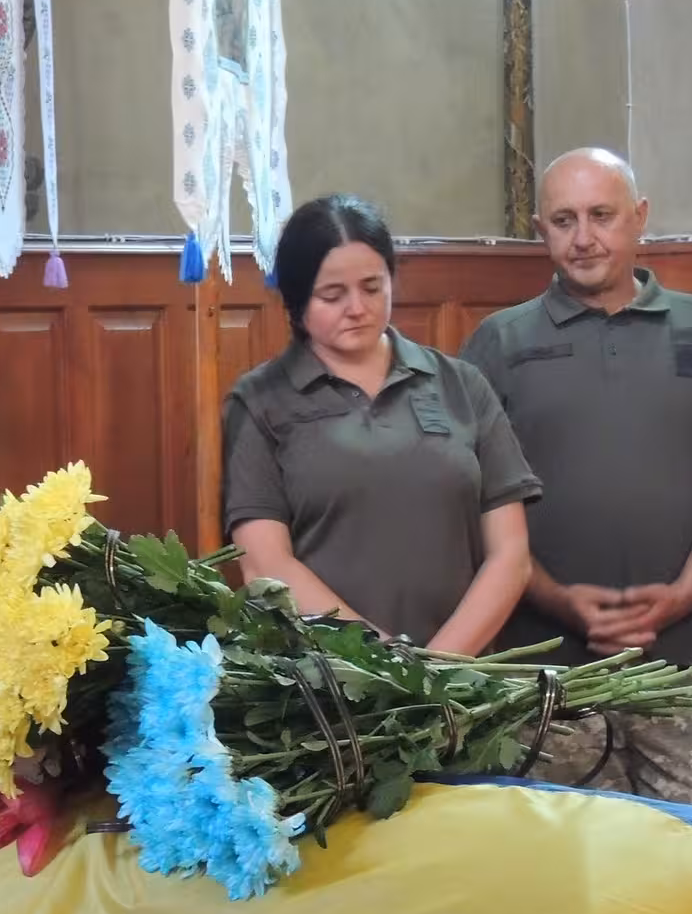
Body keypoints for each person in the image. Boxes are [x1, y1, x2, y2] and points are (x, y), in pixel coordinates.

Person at [461, 150, 692, 811]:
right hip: (545, 674)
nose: (584, 237)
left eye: (602, 215)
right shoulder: (497, 343)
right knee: (569, 861)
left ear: (639, 217)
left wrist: (683, 594)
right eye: (564, 220)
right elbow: (471, 505)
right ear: (541, 230)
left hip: (682, 664)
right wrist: (559, 599)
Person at [222, 194, 540, 653]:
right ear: (296, 301)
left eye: (372, 287)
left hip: (465, 675)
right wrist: (387, 664)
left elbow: (510, 556)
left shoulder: (461, 384)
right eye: (333, 295)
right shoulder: (260, 400)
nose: (357, 308)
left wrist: (438, 667)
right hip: (331, 676)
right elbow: (265, 564)